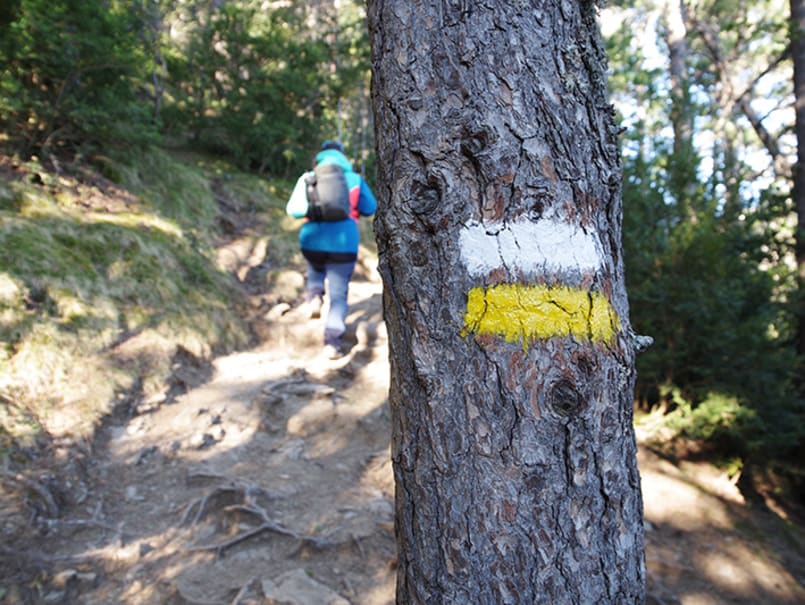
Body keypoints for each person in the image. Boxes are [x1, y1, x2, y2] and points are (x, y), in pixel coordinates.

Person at [285, 141, 377, 359]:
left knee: (315, 270)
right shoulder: (354, 179)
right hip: (344, 243)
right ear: (343, 156)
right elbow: (370, 208)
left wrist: (316, 210)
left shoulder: (308, 177)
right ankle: (332, 343)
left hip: (312, 241)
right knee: (338, 294)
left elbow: (294, 209)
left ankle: (314, 298)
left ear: (321, 155)